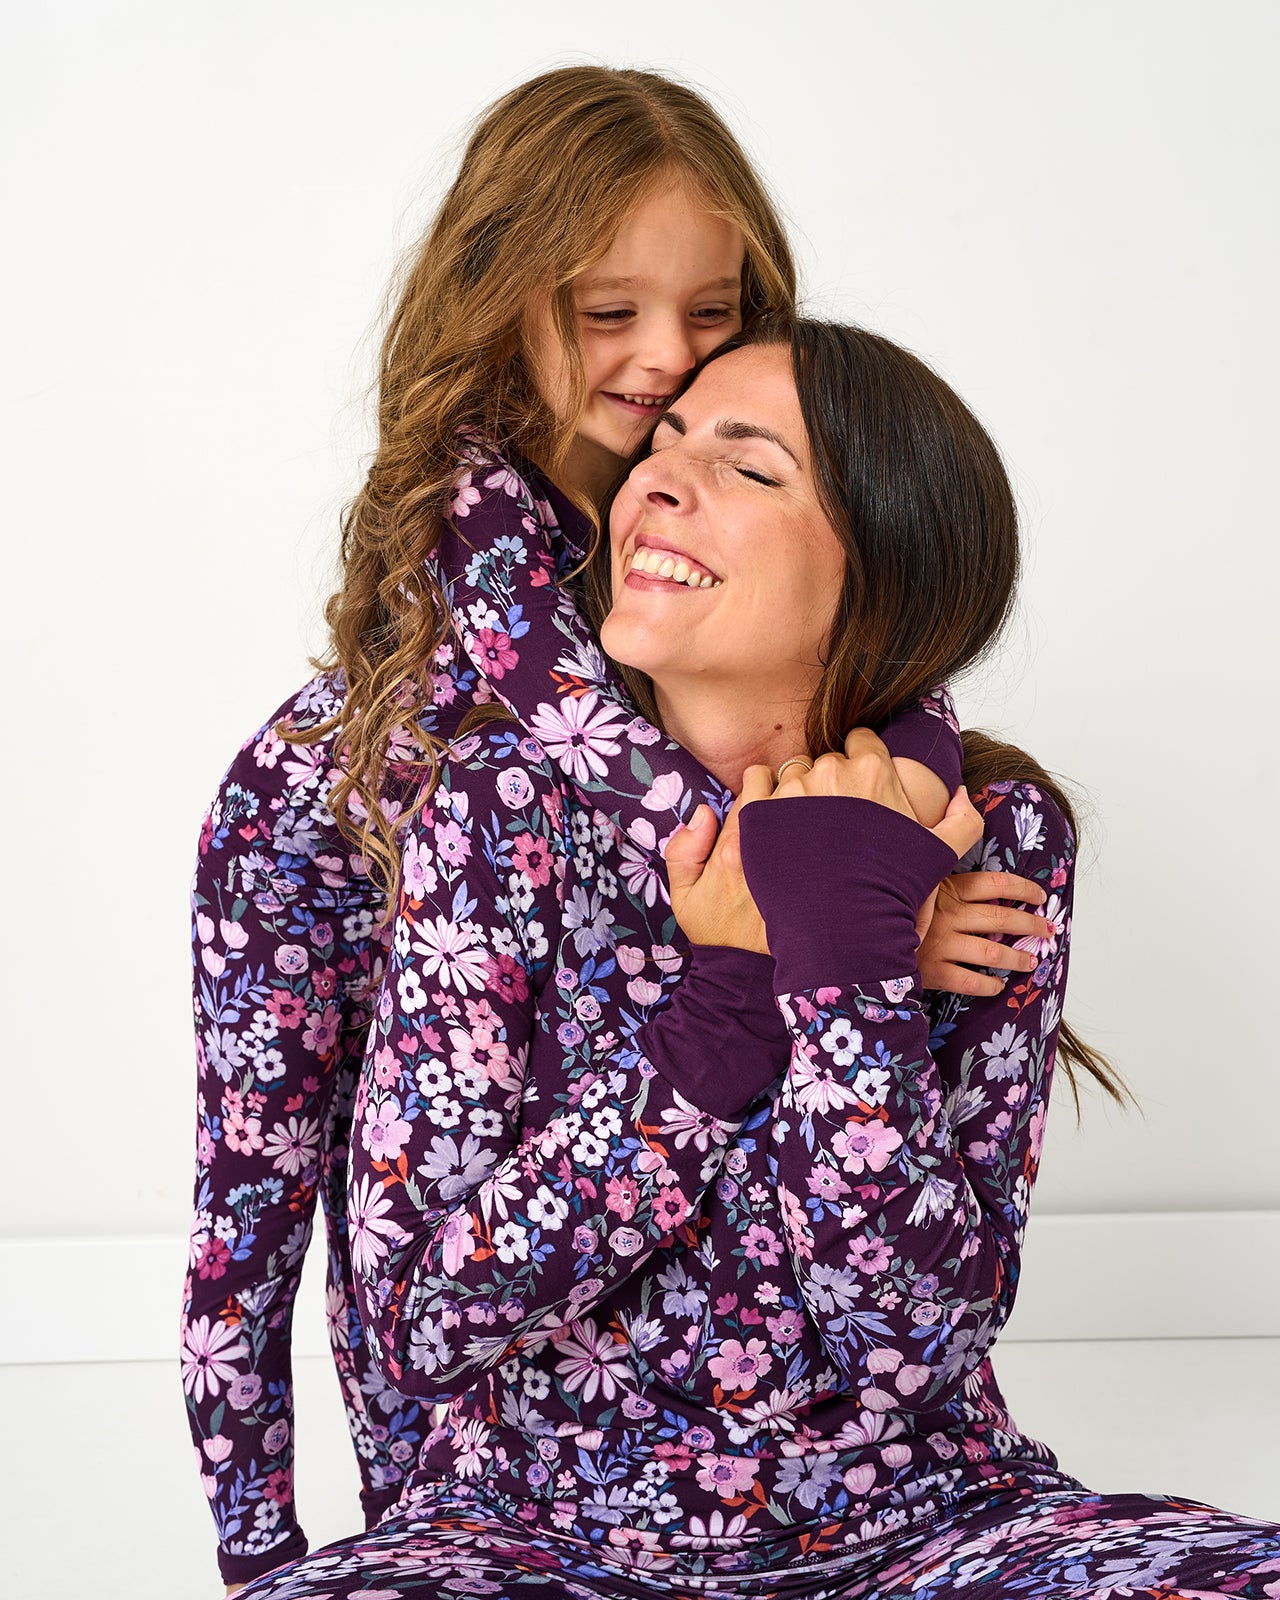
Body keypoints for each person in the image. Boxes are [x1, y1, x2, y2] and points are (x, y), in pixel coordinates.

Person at [225, 322, 1280, 1598]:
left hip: (925, 1527)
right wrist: (727, 1002)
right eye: (664, 444)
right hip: (534, 1536)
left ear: (881, 571)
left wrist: (843, 947)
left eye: (747, 465)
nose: (656, 481)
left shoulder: (994, 836)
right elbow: (423, 1323)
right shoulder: (499, 808)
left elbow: (909, 1344)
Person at [183, 68, 1028, 1592]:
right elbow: (257, 1206)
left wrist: (857, 898)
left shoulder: (855, 722)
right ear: (497, 304)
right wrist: (267, 1555)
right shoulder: (382, 768)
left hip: (852, 1474)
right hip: (500, 1459)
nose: (663, 361)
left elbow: (882, 645)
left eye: (713, 312)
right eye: (606, 310)